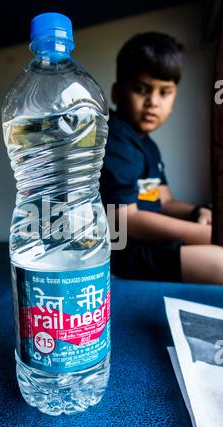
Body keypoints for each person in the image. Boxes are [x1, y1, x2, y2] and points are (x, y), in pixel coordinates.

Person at [99, 32, 223, 284]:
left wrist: (198, 211)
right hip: (124, 251)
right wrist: (205, 234)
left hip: (152, 242)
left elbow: (164, 200)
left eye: (164, 92)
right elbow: (124, 219)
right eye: (140, 89)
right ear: (117, 92)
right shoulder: (114, 137)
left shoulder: (149, 145)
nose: (152, 102)